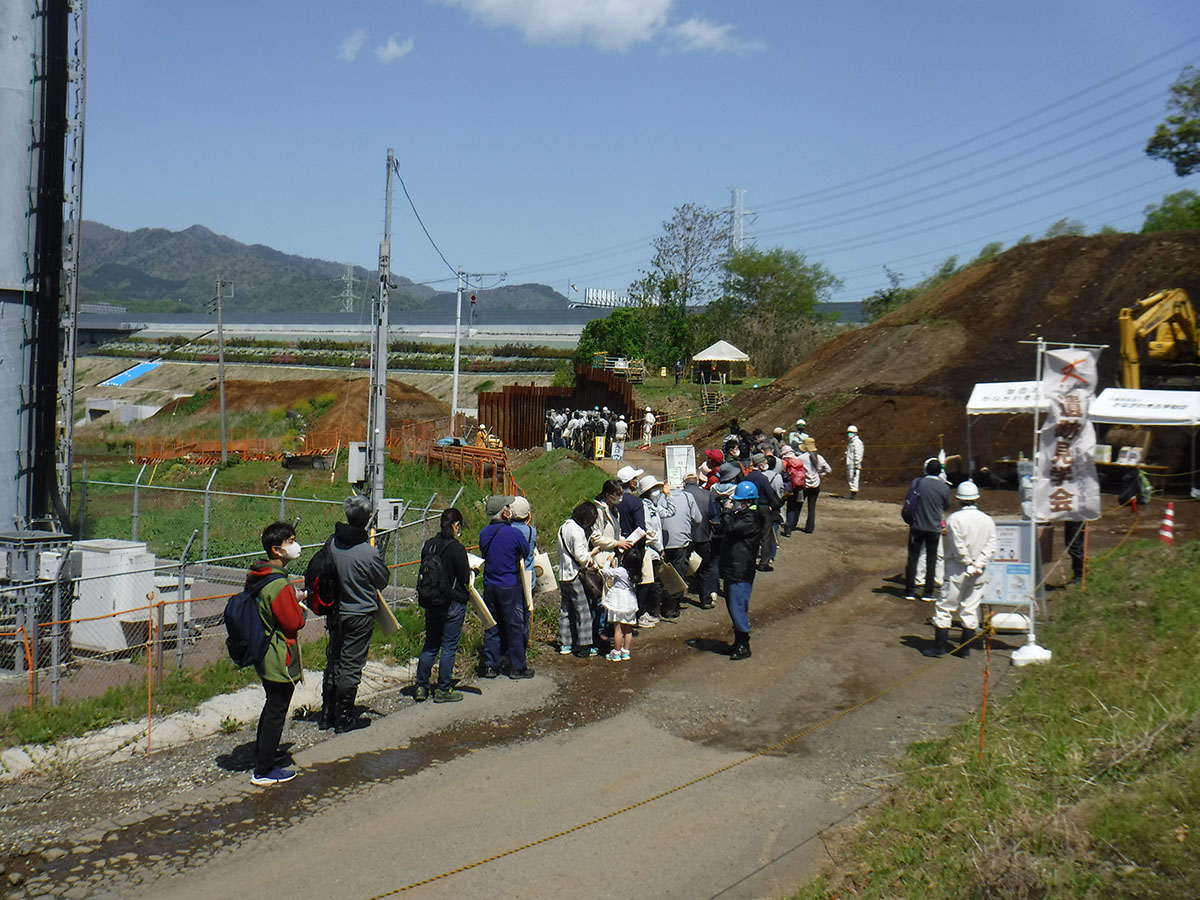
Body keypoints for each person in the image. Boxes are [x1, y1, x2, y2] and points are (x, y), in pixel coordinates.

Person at [247, 522, 307, 786]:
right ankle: (263, 769)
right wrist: (298, 606)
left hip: (263, 650)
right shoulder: (280, 584)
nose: (294, 546)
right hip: (279, 654)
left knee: (271, 704)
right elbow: (293, 622)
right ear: (276, 549)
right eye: (290, 541)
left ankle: (263, 753)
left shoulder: (260, 575)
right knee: (276, 710)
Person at [326, 495, 390, 733]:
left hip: (335, 611)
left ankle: (327, 713)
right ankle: (344, 718)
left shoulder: (332, 543)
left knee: (334, 659)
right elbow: (382, 580)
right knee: (351, 665)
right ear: (368, 519)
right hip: (360, 613)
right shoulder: (367, 553)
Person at [923, 481, 996, 658]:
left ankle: (939, 648)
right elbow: (990, 545)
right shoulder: (987, 520)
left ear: (959, 500)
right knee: (970, 608)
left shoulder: (954, 519)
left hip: (957, 570)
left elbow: (957, 545)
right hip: (979, 572)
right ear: (976, 499)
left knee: (945, 607)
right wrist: (978, 564)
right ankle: (965, 650)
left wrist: (968, 563)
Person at [414, 508, 471, 702]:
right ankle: (443, 689)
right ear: (456, 526)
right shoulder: (456, 549)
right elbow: (464, 577)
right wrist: (475, 572)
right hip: (452, 601)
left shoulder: (429, 546)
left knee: (430, 644)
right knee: (448, 647)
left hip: (431, 601)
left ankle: (421, 686)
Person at [479, 495, 533, 679]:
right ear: (504, 512)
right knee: (515, 626)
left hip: (489, 584)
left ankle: (491, 666)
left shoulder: (484, 533)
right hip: (509, 584)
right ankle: (517, 667)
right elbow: (526, 552)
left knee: (492, 625)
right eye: (507, 507)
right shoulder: (514, 534)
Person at [718, 481, 765, 660]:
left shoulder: (750, 518)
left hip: (740, 569)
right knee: (733, 606)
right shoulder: (746, 515)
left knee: (737, 608)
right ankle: (739, 642)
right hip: (735, 568)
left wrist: (727, 510)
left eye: (738, 501)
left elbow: (728, 528)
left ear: (746, 502)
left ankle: (744, 645)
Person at [905, 457, 952, 602]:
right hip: (934, 528)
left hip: (917, 526)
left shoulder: (917, 483)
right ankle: (928, 593)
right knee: (932, 560)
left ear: (926, 469)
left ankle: (910, 591)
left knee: (913, 558)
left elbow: (909, 500)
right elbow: (946, 505)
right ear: (939, 472)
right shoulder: (944, 487)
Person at [557, 502, 598, 658]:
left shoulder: (563, 527)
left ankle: (565, 643)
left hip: (563, 574)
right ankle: (584, 646)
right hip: (574, 574)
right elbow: (581, 557)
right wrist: (592, 553)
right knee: (583, 610)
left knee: (566, 609)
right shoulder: (578, 531)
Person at [659, 474, 701, 618]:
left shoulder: (660, 497)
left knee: (663, 573)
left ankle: (660, 605)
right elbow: (698, 518)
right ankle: (672, 606)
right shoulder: (688, 497)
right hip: (681, 541)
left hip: (662, 543)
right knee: (678, 572)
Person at [601, 543, 643, 661]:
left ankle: (616, 652)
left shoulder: (621, 571)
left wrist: (608, 561)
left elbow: (606, 572)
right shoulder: (635, 574)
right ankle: (626, 651)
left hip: (619, 600)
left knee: (618, 628)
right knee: (628, 628)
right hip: (629, 601)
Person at [682, 472, 715, 609]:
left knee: (683, 568)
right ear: (696, 481)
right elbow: (713, 514)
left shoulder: (680, 496)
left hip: (685, 538)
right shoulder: (707, 495)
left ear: (684, 483)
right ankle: (705, 599)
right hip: (703, 536)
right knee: (705, 568)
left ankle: (677, 599)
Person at [509, 496, 538, 653]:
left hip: (511, 578)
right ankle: (523, 646)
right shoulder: (531, 531)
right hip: (528, 577)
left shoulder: (507, 530)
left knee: (512, 614)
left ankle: (511, 647)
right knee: (525, 614)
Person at [745, 453, 782, 571]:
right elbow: (770, 495)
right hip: (763, 508)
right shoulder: (762, 478)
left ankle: (750, 559)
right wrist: (775, 505)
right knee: (766, 536)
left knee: (752, 534)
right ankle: (764, 563)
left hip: (750, 508)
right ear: (761, 464)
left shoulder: (748, 477)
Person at [797, 437, 832, 534]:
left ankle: (792, 524)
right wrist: (821, 473)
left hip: (804, 485)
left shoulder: (801, 458)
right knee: (811, 507)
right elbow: (828, 469)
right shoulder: (819, 458)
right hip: (815, 485)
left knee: (798, 504)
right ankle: (810, 528)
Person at [614, 465, 646, 538]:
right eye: (636, 478)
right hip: (631, 542)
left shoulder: (612, 498)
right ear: (631, 482)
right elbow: (640, 529)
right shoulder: (635, 502)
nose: (637, 481)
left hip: (614, 540)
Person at [845, 425, 864, 499]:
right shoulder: (851, 442)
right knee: (850, 478)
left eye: (850, 433)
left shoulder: (857, 443)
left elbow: (858, 453)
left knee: (854, 478)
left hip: (854, 464)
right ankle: (852, 492)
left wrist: (857, 463)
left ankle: (854, 493)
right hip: (850, 463)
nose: (849, 435)